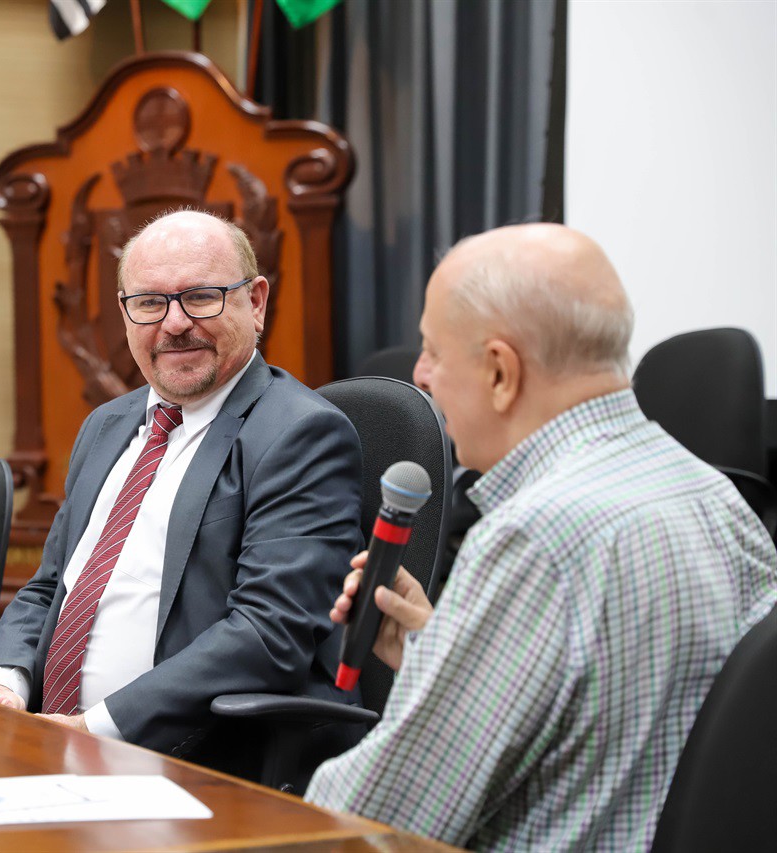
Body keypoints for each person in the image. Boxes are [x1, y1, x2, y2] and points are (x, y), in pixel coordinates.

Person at [306, 224, 777, 850]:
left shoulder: (536, 537)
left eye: (434, 353)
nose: (421, 376)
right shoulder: (717, 497)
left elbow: (376, 817)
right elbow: (603, 716)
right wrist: (435, 651)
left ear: (501, 371)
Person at [0, 210, 365, 778]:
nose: (175, 323)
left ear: (256, 302)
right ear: (125, 314)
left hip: (189, 761)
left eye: (201, 297)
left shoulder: (298, 433)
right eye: (150, 303)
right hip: (47, 746)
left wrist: (94, 729)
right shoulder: (106, 426)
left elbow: (269, 631)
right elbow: (46, 588)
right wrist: (4, 688)